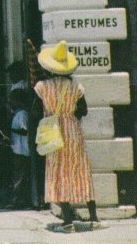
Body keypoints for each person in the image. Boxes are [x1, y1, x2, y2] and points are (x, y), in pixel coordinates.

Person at [33, 41, 100, 233]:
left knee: (58, 172)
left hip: (54, 131)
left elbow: (35, 113)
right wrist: (69, 115)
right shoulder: (76, 86)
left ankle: (67, 220)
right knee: (80, 169)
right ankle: (94, 217)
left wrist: (53, 113)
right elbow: (84, 111)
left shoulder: (41, 87)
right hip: (73, 131)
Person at [3, 89, 30, 209]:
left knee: (19, 176)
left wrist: (11, 131)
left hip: (22, 150)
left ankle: (17, 200)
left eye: (12, 100)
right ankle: (17, 199)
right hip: (17, 148)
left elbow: (25, 130)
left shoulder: (22, 114)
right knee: (17, 175)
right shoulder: (17, 113)